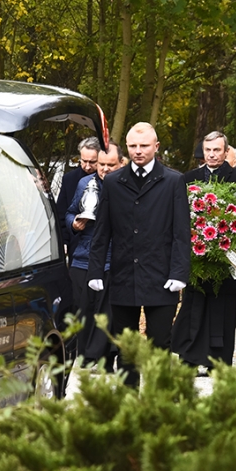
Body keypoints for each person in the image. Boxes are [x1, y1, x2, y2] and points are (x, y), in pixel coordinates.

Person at [87, 122, 191, 387]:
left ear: (156, 146)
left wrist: (179, 272)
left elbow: (181, 231)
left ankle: (159, 400)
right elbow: (102, 230)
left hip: (161, 275)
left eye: (144, 145)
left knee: (160, 343)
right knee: (126, 345)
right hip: (124, 274)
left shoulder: (173, 181)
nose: (138, 150)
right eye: (133, 145)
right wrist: (95, 270)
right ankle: (128, 398)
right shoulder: (113, 182)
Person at [172, 132, 236, 369]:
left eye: (217, 150)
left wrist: (227, 239)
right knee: (193, 304)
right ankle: (190, 358)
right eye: (208, 150)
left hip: (226, 255)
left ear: (226, 152)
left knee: (222, 307)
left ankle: (217, 361)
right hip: (196, 254)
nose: (211, 154)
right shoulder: (189, 178)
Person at [65, 144, 124, 365]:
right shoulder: (84, 184)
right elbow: (70, 212)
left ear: (121, 164)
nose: (104, 169)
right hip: (84, 257)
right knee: (82, 309)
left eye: (110, 165)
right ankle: (83, 356)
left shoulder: (126, 186)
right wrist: (74, 223)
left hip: (113, 258)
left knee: (108, 312)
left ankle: (105, 356)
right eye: (101, 164)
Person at [56, 137, 101, 260]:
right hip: (76, 244)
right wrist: (64, 240)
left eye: (92, 162)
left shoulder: (109, 178)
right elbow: (62, 213)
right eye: (84, 161)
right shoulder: (69, 179)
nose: (87, 166)